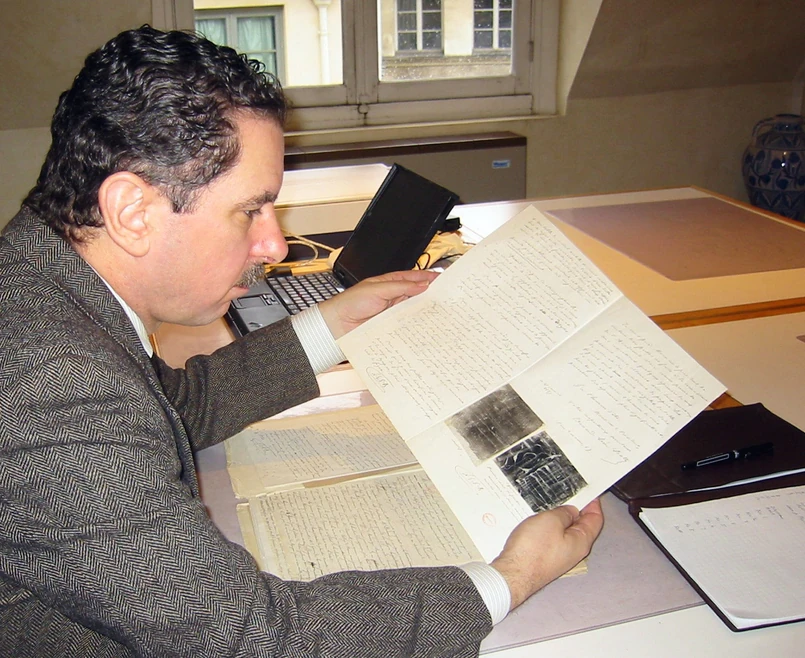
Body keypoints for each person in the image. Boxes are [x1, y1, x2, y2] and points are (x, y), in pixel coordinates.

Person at [0, 25, 603, 657]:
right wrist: (512, 577)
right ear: (132, 212)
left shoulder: (45, 284)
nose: (275, 245)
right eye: (250, 210)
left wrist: (332, 323)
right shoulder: (50, 384)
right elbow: (251, 638)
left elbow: (173, 408)